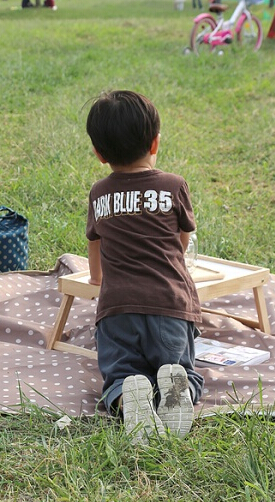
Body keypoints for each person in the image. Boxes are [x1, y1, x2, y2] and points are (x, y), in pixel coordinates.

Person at [85, 90, 204, 443]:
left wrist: (96, 279)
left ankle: (127, 397)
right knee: (184, 370)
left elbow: (95, 244)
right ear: (154, 143)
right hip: (171, 305)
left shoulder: (99, 193)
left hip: (117, 310)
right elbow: (182, 241)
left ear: (99, 153)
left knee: (119, 373)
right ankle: (177, 385)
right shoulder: (174, 186)